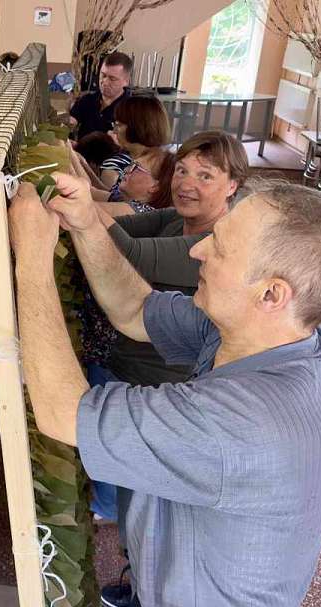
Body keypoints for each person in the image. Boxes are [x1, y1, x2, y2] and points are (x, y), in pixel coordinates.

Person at [9, 175, 321, 607]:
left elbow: (63, 413)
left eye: (219, 246)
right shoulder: (281, 336)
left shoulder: (240, 422)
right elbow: (136, 309)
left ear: (271, 293)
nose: (197, 250)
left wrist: (30, 257)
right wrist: (87, 225)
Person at [86, 130, 250, 526]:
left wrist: (78, 214)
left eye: (205, 176)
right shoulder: (178, 219)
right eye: (182, 170)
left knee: (136, 486)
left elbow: (130, 253)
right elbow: (119, 226)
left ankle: (116, 516)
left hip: (160, 381)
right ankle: (110, 501)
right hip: (124, 358)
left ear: (233, 185)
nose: (186, 184)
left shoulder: (217, 245)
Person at [70, 51, 132, 140]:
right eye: (103, 75)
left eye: (112, 79)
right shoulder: (87, 99)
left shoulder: (131, 111)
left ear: (126, 81)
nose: (105, 82)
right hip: (79, 151)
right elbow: (71, 121)